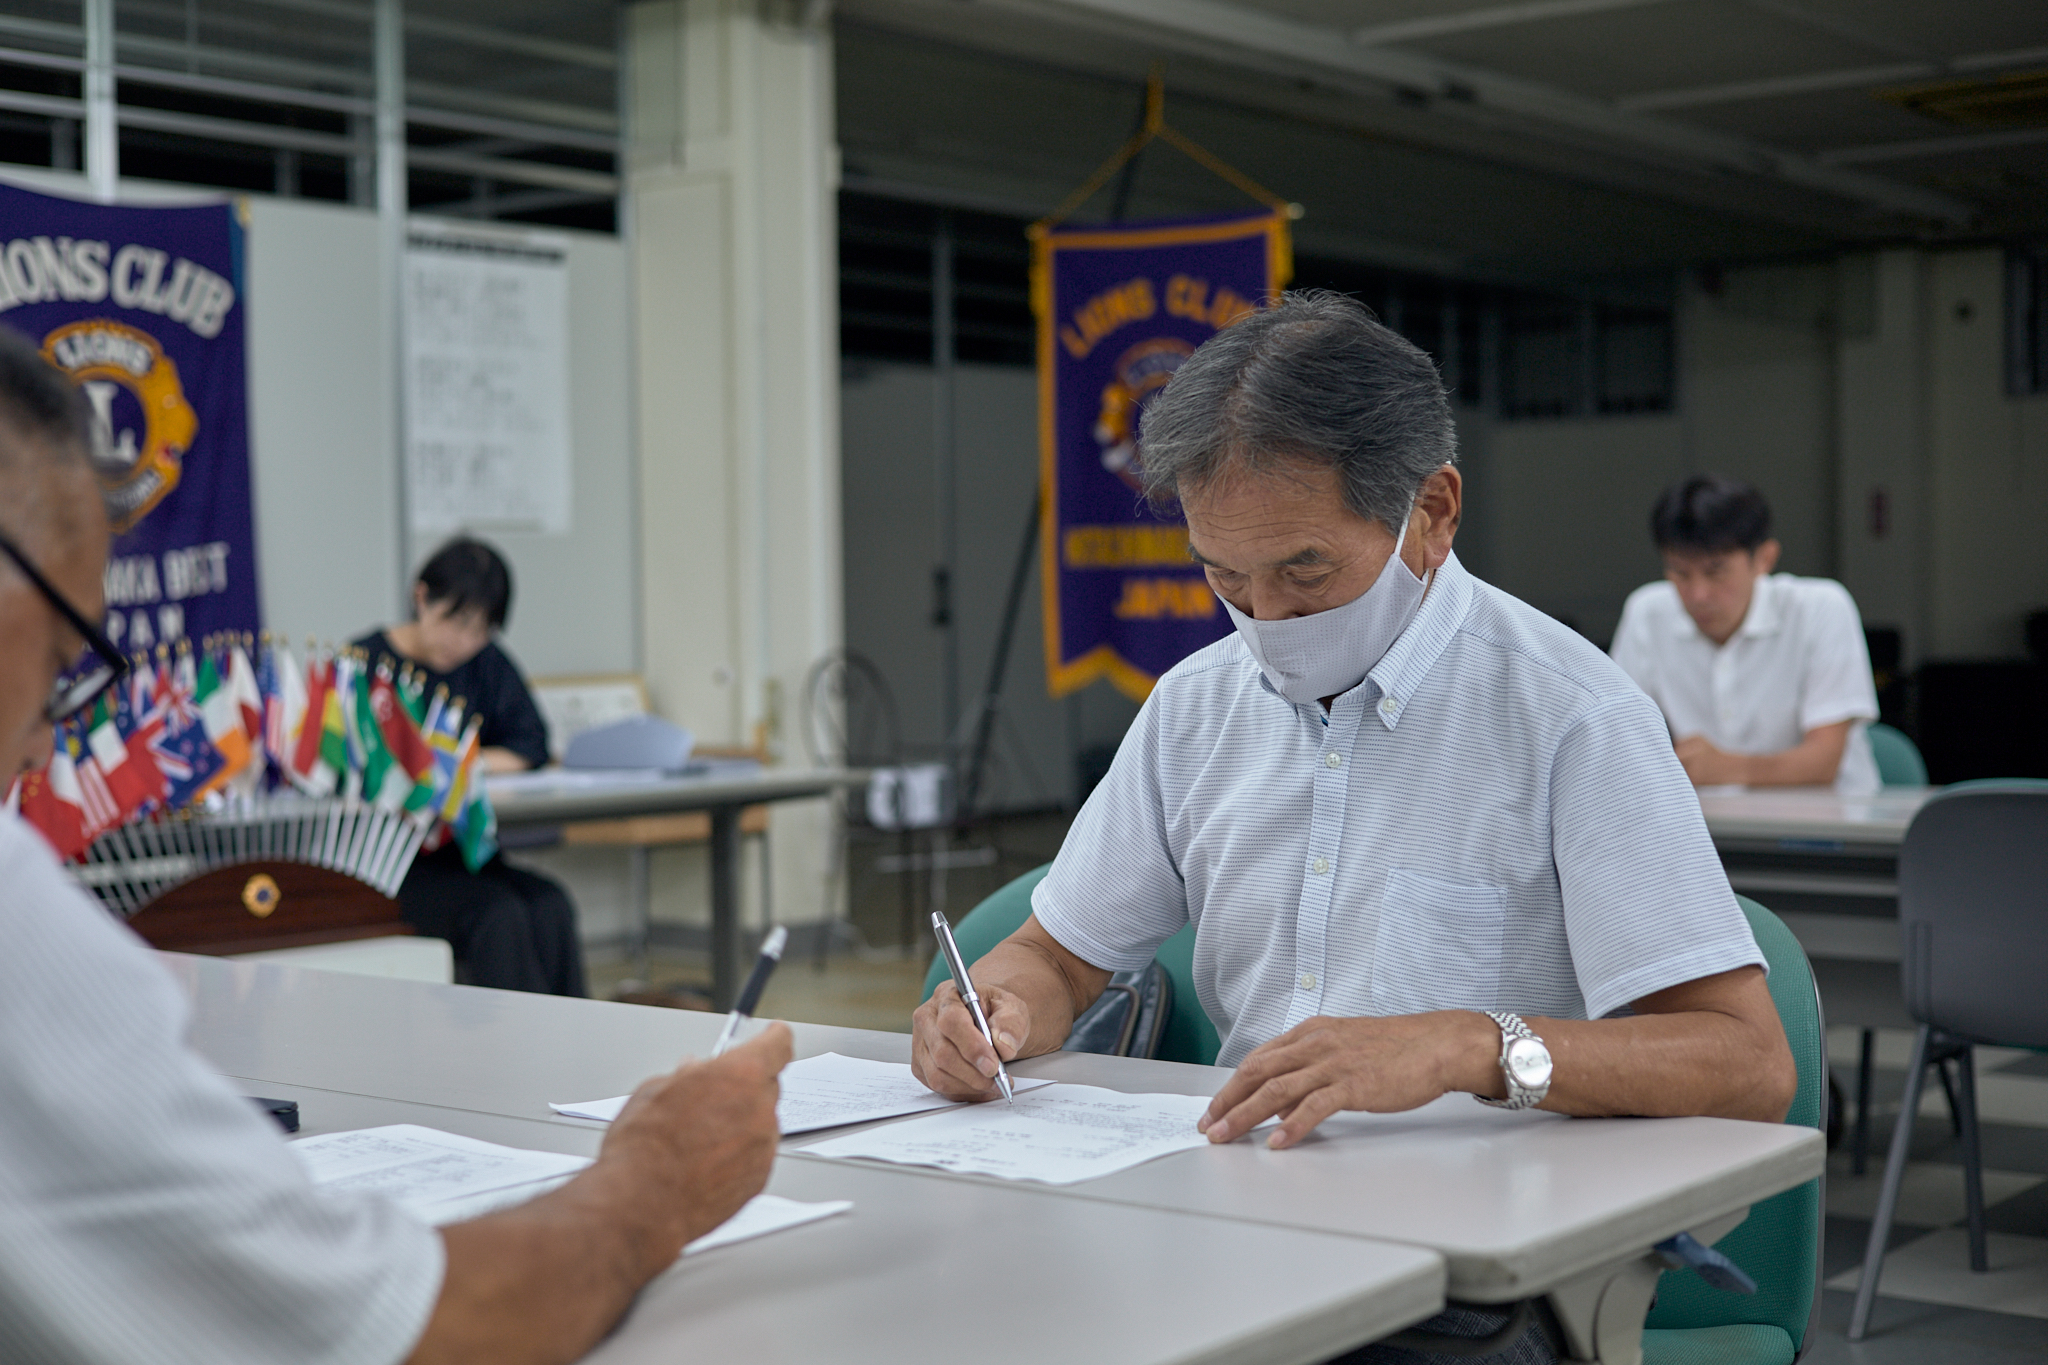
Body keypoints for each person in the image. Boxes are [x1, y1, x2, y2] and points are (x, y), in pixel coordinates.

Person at [909, 293, 1795, 1364]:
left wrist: (1467, 1045)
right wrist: (992, 1012)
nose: (1265, 619)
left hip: (1476, 1274)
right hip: (1238, 1219)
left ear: (1433, 511)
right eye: (1222, 576)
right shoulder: (1195, 706)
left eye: (1305, 571)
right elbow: (1056, 955)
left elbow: (1747, 1063)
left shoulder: (1570, 715)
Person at [0, 323, 791, 1365]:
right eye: (67, 658)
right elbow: (394, 1326)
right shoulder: (32, 943)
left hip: (452, 856)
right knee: (504, 911)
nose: (51, 738)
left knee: (540, 902)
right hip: (405, 879)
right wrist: (654, 1181)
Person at [356, 538, 585, 995]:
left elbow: (531, 744)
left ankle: (576, 1032)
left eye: (481, 630)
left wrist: (458, 765)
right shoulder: (365, 665)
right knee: (499, 914)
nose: (463, 642)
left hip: (465, 855)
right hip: (389, 866)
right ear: (421, 597)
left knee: (551, 904)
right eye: (455, 622)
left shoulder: (485, 663)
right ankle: (517, 1036)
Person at [1610, 476, 1881, 794]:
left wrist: (1723, 768)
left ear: (1765, 558)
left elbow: (1824, 761)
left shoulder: (1820, 608)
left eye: (1715, 571)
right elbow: (1618, 741)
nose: (1698, 594)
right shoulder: (1647, 613)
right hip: (1706, 817)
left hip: (1825, 817)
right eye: (1680, 572)